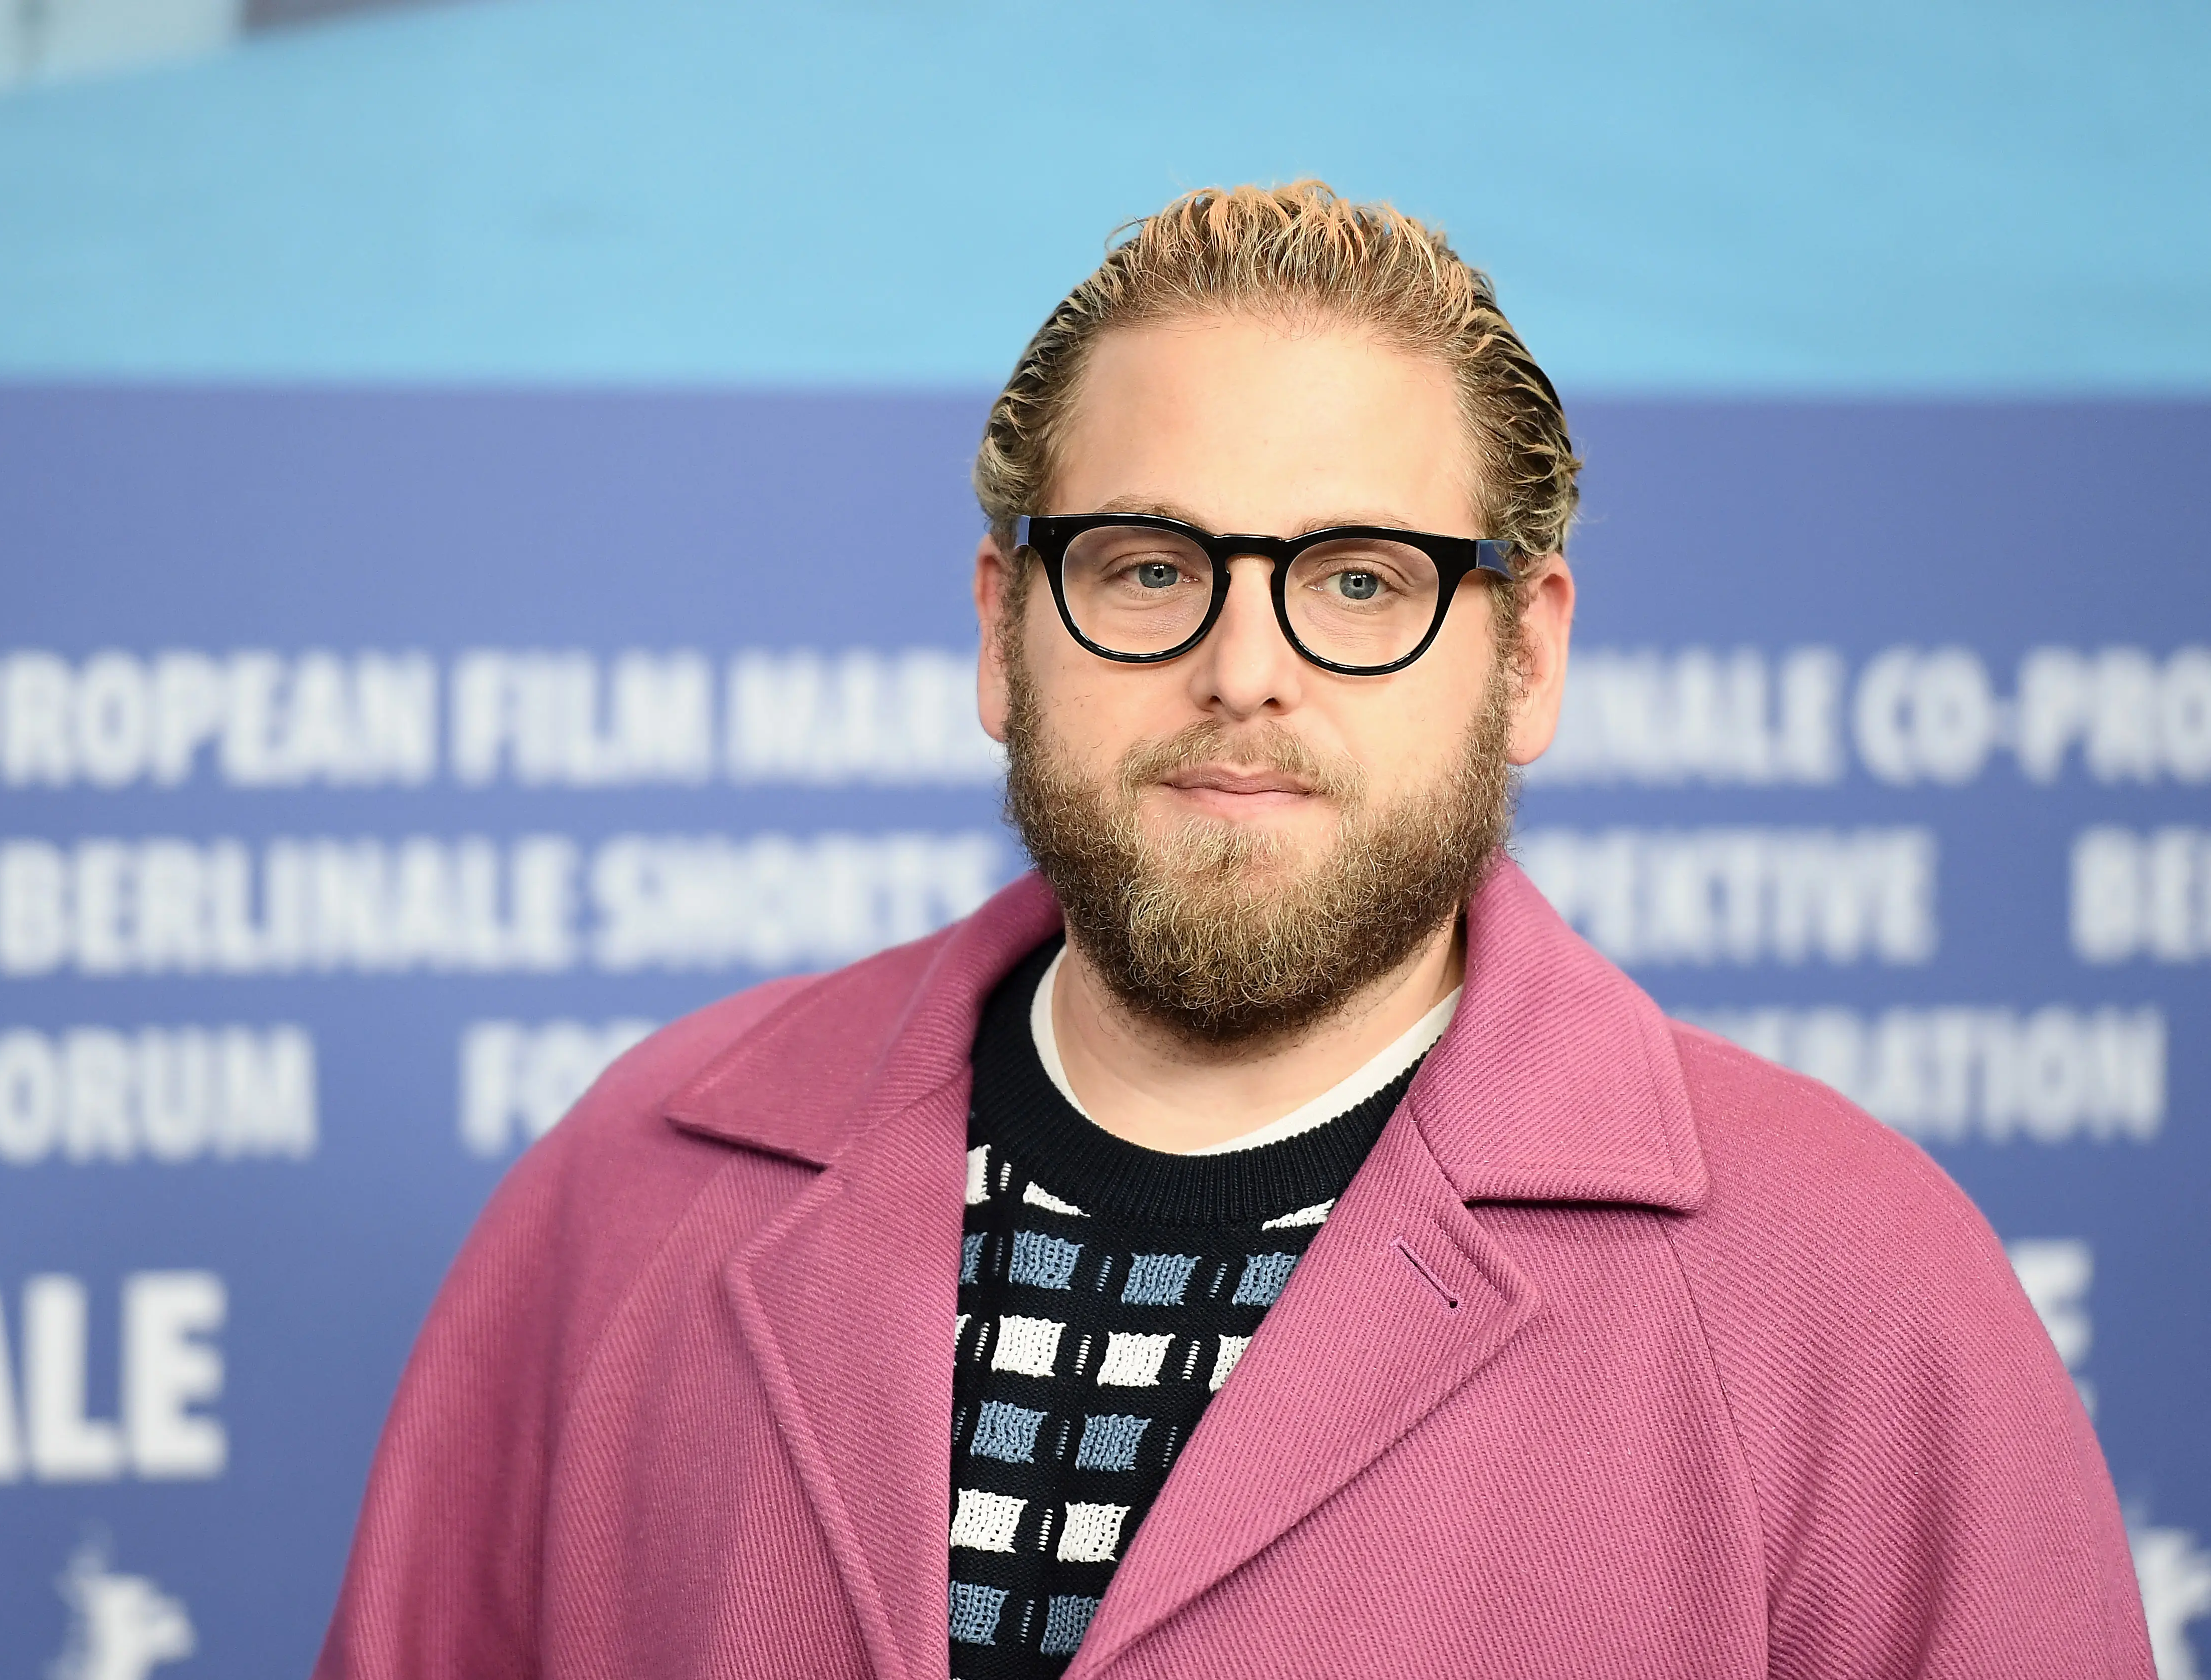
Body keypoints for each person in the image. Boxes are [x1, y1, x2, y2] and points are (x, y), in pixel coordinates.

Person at [313, 182, 2150, 1678]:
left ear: (1525, 658)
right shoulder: (633, 1181)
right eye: (1145, 568)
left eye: (1361, 579)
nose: (1242, 669)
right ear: (998, 630)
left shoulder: (1853, 1287)